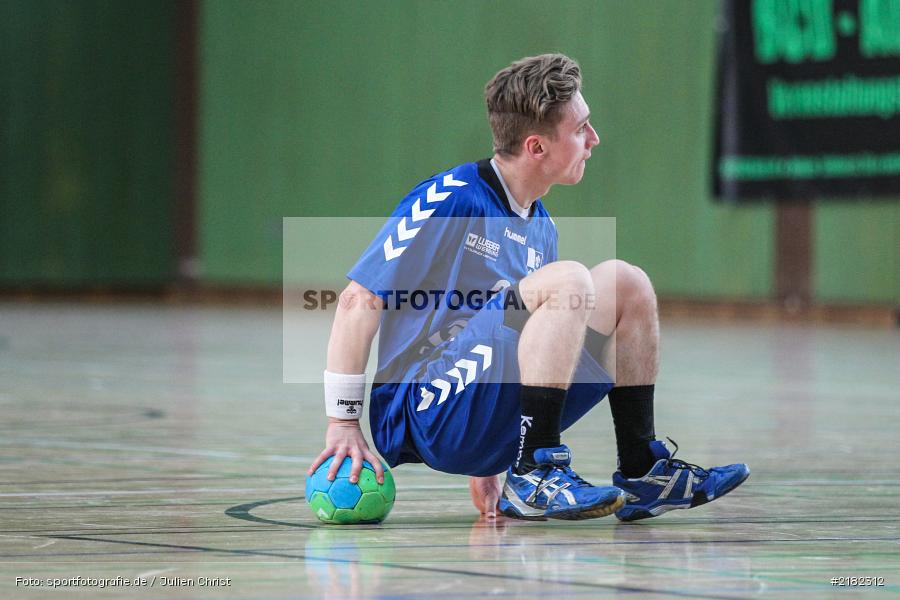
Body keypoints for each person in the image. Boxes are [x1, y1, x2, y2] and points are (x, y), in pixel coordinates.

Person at [307, 53, 748, 521]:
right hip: (425, 410)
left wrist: (487, 458)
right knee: (572, 280)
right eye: (581, 129)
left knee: (626, 284)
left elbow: (522, 340)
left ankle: (641, 471)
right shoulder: (450, 198)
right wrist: (343, 421)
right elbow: (359, 301)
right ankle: (535, 467)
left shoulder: (542, 228)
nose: (594, 140)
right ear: (536, 147)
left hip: (481, 412)